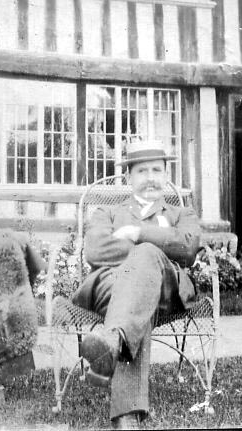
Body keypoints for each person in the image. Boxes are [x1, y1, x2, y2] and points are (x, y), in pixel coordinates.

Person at [71, 140, 201, 429]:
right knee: (140, 288)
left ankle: (112, 343)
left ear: (166, 175)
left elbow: (189, 248)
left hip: (166, 290)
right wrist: (156, 249)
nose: (151, 177)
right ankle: (117, 352)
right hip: (109, 286)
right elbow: (95, 250)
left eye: (157, 169)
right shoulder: (108, 213)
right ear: (129, 178)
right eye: (143, 171)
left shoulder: (182, 214)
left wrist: (139, 234)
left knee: (144, 266)